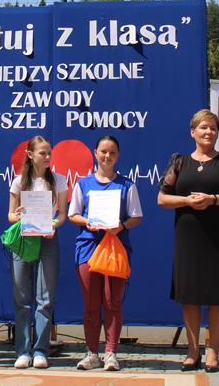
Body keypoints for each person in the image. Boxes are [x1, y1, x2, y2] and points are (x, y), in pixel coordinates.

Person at [157, 109, 219, 373]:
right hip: (188, 237)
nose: (208, 132)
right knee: (190, 294)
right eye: (203, 127)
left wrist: (214, 199)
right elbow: (162, 198)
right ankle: (192, 351)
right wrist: (187, 201)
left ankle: (213, 351)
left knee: (217, 296)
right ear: (193, 132)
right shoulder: (179, 162)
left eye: (213, 128)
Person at [68, 135, 143, 372]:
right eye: (103, 151)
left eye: (112, 152)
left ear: (118, 156)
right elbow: (73, 215)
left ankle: (111, 353)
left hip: (115, 249)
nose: (107, 156)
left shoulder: (127, 185)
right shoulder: (83, 184)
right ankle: (92, 353)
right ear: (95, 153)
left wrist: (121, 226)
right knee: (91, 305)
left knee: (112, 302)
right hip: (88, 249)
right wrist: (88, 222)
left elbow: (136, 216)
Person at [7, 136, 67, 369]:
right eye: (43, 153)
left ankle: (41, 350)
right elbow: (10, 215)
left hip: (48, 240)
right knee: (22, 298)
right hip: (24, 240)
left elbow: (62, 215)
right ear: (30, 155)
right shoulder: (18, 181)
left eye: (49, 152)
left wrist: (54, 225)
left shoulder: (58, 180)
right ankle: (23, 351)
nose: (48, 157)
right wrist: (18, 216)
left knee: (45, 298)